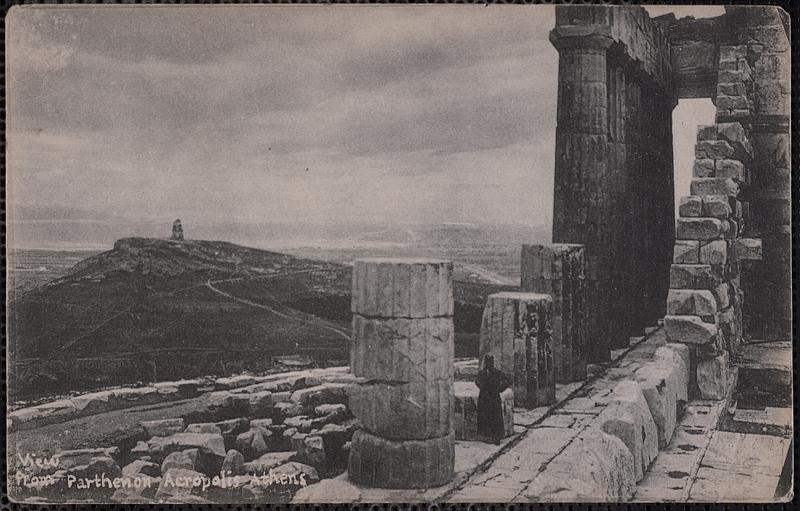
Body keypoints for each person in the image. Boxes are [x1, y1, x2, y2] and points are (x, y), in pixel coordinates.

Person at [476, 354, 511, 444]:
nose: (489, 363)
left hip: (493, 398)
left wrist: (500, 389)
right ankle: (486, 436)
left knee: (495, 418)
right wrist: (482, 388)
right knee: (485, 417)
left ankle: (496, 437)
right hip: (484, 398)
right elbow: (477, 381)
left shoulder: (497, 373)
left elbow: (508, 381)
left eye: (490, 361)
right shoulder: (482, 373)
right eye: (487, 361)